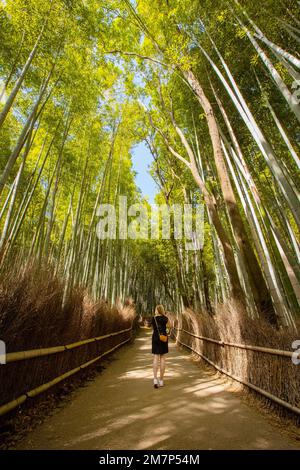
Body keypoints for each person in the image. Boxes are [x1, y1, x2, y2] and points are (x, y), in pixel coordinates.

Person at [151, 304, 170, 388]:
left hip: (155, 337)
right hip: (163, 338)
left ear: (156, 310)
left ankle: (155, 379)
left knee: (156, 357)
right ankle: (161, 380)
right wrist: (166, 331)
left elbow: (153, 328)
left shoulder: (154, 318)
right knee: (162, 358)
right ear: (162, 310)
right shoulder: (165, 318)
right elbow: (170, 327)